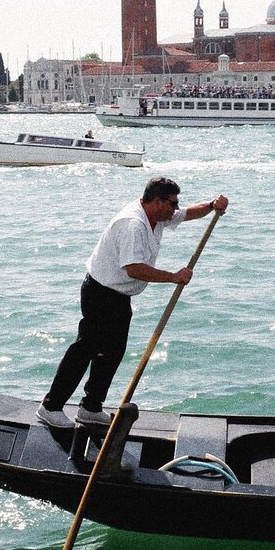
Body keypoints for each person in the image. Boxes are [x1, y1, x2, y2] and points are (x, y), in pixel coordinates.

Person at [36, 177, 229, 428]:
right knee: (85, 349)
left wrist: (212, 205)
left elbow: (187, 214)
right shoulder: (133, 224)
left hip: (119, 297)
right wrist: (173, 277)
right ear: (157, 201)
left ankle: (90, 408)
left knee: (113, 353)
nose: (176, 208)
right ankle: (50, 406)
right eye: (172, 203)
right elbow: (134, 269)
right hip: (100, 293)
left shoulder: (159, 215)